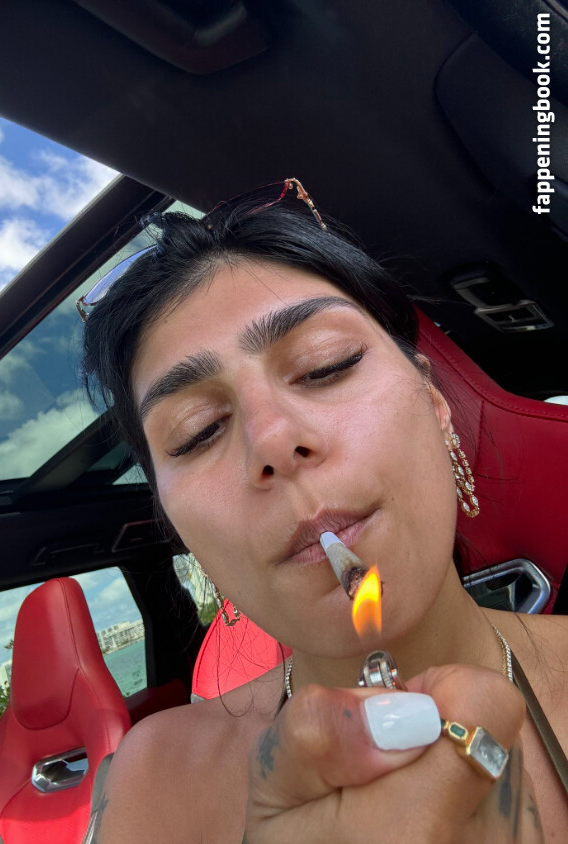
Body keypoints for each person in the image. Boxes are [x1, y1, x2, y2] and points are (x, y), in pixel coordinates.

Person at [79, 179, 568, 843]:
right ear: (182, 530)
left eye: (324, 365)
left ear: (434, 405)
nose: (273, 440)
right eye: (198, 432)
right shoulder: (157, 780)